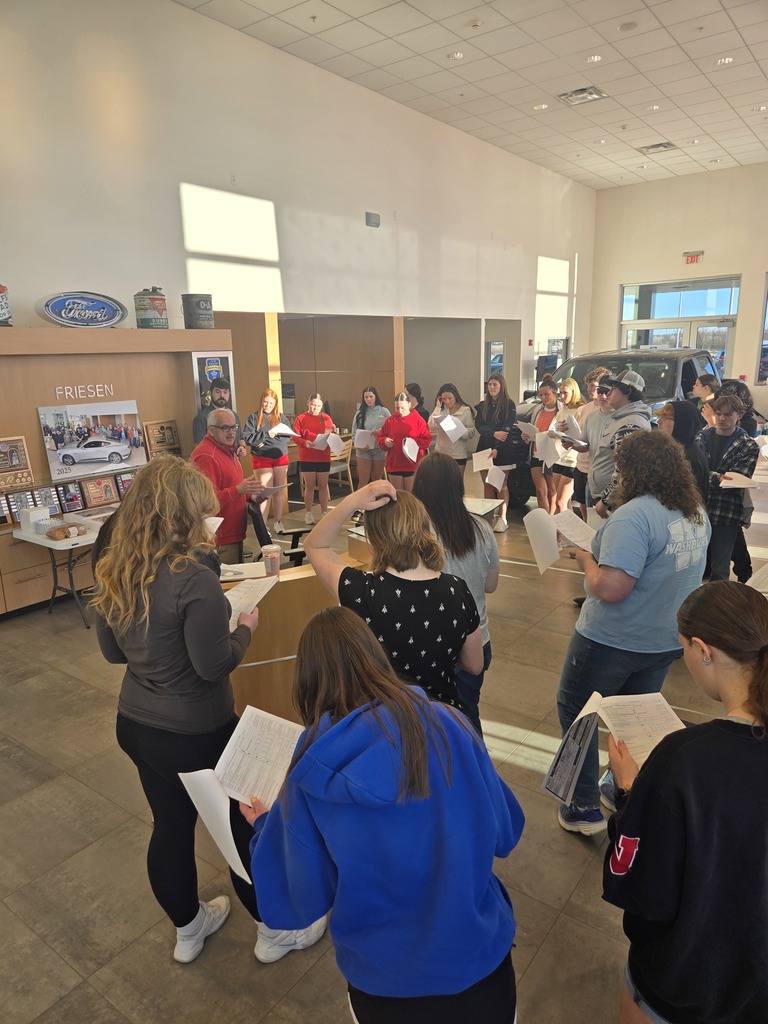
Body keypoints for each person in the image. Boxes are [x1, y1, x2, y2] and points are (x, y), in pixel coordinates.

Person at [242, 606, 524, 1024]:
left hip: (385, 988)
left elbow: (296, 900)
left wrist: (267, 825)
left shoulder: (311, 772)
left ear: (306, 684)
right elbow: (506, 831)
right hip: (482, 970)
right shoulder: (452, 724)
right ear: (377, 657)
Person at [90, 458, 267, 963]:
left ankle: (189, 930)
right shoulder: (192, 577)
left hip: (138, 724)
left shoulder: (117, 567)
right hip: (198, 730)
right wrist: (245, 628)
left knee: (170, 826)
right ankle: (273, 928)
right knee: (239, 829)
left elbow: (113, 653)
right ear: (182, 514)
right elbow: (213, 667)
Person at [603, 581, 768, 1024]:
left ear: (703, 649)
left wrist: (629, 793)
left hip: (680, 985)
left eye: (684, 651)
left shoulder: (685, 757)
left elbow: (638, 885)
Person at [556, 430, 710, 835]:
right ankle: (616, 784)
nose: (619, 478)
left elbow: (611, 588)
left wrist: (587, 559)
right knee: (629, 718)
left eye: (622, 469)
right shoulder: (693, 511)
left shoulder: (635, 514)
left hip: (611, 640)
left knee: (579, 714)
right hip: (662, 639)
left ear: (635, 472)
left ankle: (582, 804)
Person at [304, 480, 483, 713]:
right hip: (441, 721)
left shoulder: (359, 591)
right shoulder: (457, 590)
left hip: (383, 723)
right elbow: (474, 665)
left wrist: (353, 501)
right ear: (425, 526)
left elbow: (315, 546)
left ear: (374, 536)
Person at [413, 452, 499, 735]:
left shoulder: (416, 534)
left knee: (429, 722)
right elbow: (490, 585)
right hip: (476, 640)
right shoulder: (482, 528)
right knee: (467, 717)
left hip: (429, 643)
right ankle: (474, 773)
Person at [695, 393, 759, 582]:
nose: (722, 418)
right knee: (693, 562)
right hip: (698, 508)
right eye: (719, 414)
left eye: (728, 415)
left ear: (739, 415)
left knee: (720, 568)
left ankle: (717, 610)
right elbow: (692, 473)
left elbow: (735, 479)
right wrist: (716, 477)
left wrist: (708, 475)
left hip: (726, 511)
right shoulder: (701, 437)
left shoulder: (748, 445)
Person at [190, 408, 265, 563]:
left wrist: (251, 494)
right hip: (220, 539)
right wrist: (239, 490)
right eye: (225, 428)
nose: (231, 433)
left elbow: (231, 485)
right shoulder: (206, 456)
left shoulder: (226, 448)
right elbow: (206, 502)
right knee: (229, 586)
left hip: (233, 532)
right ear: (210, 430)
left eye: (234, 427)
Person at [585, 370, 652, 518]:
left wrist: (606, 501)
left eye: (613, 389)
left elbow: (624, 470)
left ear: (627, 392)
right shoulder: (623, 418)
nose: (608, 393)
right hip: (609, 501)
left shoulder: (630, 423)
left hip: (614, 504)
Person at [243, 388, 291, 534]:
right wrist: (265, 435)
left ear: (275, 404)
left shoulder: (281, 418)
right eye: (265, 402)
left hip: (280, 457)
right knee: (265, 492)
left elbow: (286, 437)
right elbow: (249, 438)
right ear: (261, 402)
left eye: (271, 403)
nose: (267, 405)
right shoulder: (253, 418)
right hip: (261, 458)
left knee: (278, 491)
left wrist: (265, 440)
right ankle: (263, 526)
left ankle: (278, 522)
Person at [474, 373, 518, 533]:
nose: (491, 388)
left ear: (501, 386)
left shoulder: (509, 405)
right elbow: (479, 426)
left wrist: (496, 448)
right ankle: (489, 517)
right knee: (487, 484)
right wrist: (493, 433)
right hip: (484, 449)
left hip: (502, 450)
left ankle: (502, 517)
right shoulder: (482, 405)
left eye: (495, 385)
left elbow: (505, 430)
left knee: (501, 485)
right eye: (490, 385)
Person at [572, 366, 611, 522]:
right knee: (584, 507)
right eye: (588, 386)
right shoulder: (587, 410)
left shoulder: (614, 413)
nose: (589, 390)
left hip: (599, 469)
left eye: (594, 386)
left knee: (598, 513)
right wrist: (569, 440)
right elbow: (583, 438)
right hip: (582, 463)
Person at [293, 393, 336, 525]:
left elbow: (332, 434)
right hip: (307, 456)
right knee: (310, 486)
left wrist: (331, 437)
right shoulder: (301, 418)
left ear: (321, 406)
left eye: (317, 406)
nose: (315, 408)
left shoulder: (326, 418)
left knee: (323, 486)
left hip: (323, 456)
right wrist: (304, 443)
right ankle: (308, 513)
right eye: (313, 405)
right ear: (308, 403)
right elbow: (295, 436)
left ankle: (324, 512)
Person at [351, 386, 390, 522]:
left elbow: (390, 430)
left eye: (371, 397)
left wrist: (380, 431)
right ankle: (359, 507)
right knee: (363, 479)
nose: (368, 399)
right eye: (366, 397)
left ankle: (375, 507)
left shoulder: (384, 411)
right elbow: (354, 434)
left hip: (379, 448)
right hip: (364, 449)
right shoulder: (360, 413)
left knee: (376, 478)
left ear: (375, 397)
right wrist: (361, 444)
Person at [655, 401, 709, 502]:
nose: (659, 421)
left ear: (683, 423)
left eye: (667, 418)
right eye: (660, 416)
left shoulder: (687, 457)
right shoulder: (679, 450)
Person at [378, 392, 431, 492]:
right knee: (399, 496)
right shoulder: (389, 421)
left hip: (412, 464)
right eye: (397, 408)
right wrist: (385, 441)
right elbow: (381, 437)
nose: (400, 411)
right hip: (395, 464)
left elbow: (427, 440)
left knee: (411, 496)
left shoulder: (418, 420)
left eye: (403, 408)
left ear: (409, 405)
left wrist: (414, 442)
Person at [551, 377, 586, 513]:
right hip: (560, 457)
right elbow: (553, 429)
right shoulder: (562, 410)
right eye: (560, 393)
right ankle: (564, 533)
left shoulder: (581, 410)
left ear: (574, 392)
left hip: (572, 460)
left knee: (561, 502)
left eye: (565, 393)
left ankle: (563, 532)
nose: (562, 396)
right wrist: (557, 430)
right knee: (561, 502)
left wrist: (566, 430)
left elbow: (581, 434)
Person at [526, 378, 560, 514]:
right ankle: (544, 520)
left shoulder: (560, 411)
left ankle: (552, 520)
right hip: (536, 452)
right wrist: (527, 436)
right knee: (540, 490)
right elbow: (534, 431)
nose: (544, 398)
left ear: (555, 393)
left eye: (547, 394)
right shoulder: (537, 411)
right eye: (541, 395)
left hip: (551, 453)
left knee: (552, 491)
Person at [428, 383, 476, 476]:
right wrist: (437, 407)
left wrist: (459, 431)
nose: (447, 401)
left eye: (450, 398)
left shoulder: (465, 411)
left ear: (455, 397)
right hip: (441, 453)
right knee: (440, 483)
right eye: (444, 399)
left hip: (457, 454)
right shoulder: (441, 410)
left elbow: (471, 432)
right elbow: (431, 425)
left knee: (456, 483)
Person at [192, 377, 245, 453]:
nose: (222, 395)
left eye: (225, 392)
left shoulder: (234, 415)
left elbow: (240, 437)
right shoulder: (201, 418)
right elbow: (200, 449)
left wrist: (242, 447)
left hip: (234, 460)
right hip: (214, 461)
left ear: (229, 394)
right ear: (211, 393)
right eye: (218, 391)